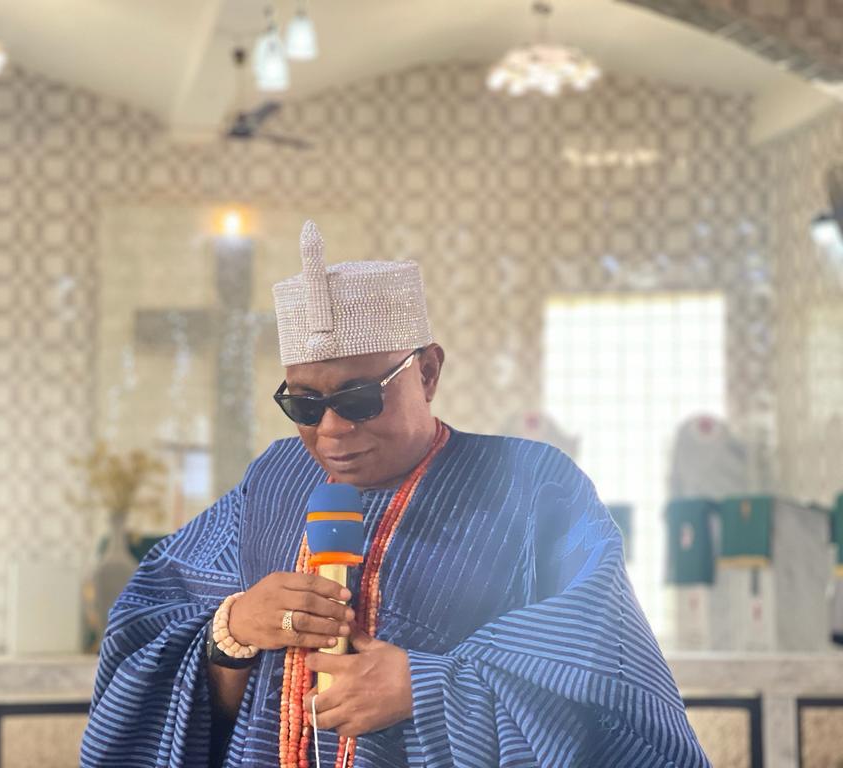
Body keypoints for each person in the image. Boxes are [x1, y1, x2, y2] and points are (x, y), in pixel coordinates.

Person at [81, 221, 709, 767]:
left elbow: (605, 680)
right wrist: (233, 628)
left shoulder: (532, 485)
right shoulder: (274, 480)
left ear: (427, 372)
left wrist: (427, 688)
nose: (332, 429)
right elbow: (144, 640)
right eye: (304, 405)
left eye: (358, 398)